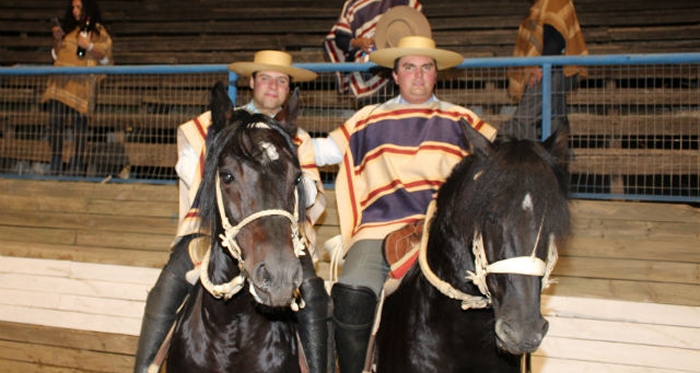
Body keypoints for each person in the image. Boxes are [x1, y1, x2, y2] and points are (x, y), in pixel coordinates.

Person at [134, 50, 333, 373]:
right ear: (251, 82)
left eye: (281, 80)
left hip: (280, 234)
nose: (273, 86)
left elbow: (309, 192)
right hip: (213, 231)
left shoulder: (298, 139)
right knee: (168, 284)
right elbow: (190, 168)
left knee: (312, 292)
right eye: (265, 78)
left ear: (288, 89)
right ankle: (145, 367)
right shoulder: (221, 125)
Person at [311, 36, 497, 373]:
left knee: (505, 286)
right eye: (409, 68)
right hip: (380, 228)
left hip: (444, 230)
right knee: (352, 290)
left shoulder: (463, 120)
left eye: (426, 68)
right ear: (395, 76)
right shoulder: (368, 118)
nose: (418, 76)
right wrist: (273, 141)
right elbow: (322, 152)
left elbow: (497, 166)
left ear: (436, 74)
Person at [41, 0, 113, 175]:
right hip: (60, 84)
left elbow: (106, 60)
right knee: (55, 124)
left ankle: (76, 165)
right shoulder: (69, 31)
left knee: (79, 127)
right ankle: (55, 163)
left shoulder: (98, 32)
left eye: (79, 7)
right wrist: (57, 40)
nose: (75, 11)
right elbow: (58, 55)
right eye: (73, 7)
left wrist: (88, 46)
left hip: (81, 86)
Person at [499, 0, 587, 140]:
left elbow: (556, 39)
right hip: (556, 69)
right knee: (555, 120)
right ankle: (553, 159)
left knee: (524, 119)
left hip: (551, 70)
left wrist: (540, 68)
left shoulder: (553, 2)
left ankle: (520, 157)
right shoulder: (542, 4)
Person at [323, 0, 423, 100]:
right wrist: (358, 42)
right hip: (368, 68)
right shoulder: (353, 4)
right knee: (371, 111)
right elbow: (341, 38)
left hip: (402, 66)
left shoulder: (404, 1)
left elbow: (419, 28)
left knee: (401, 111)